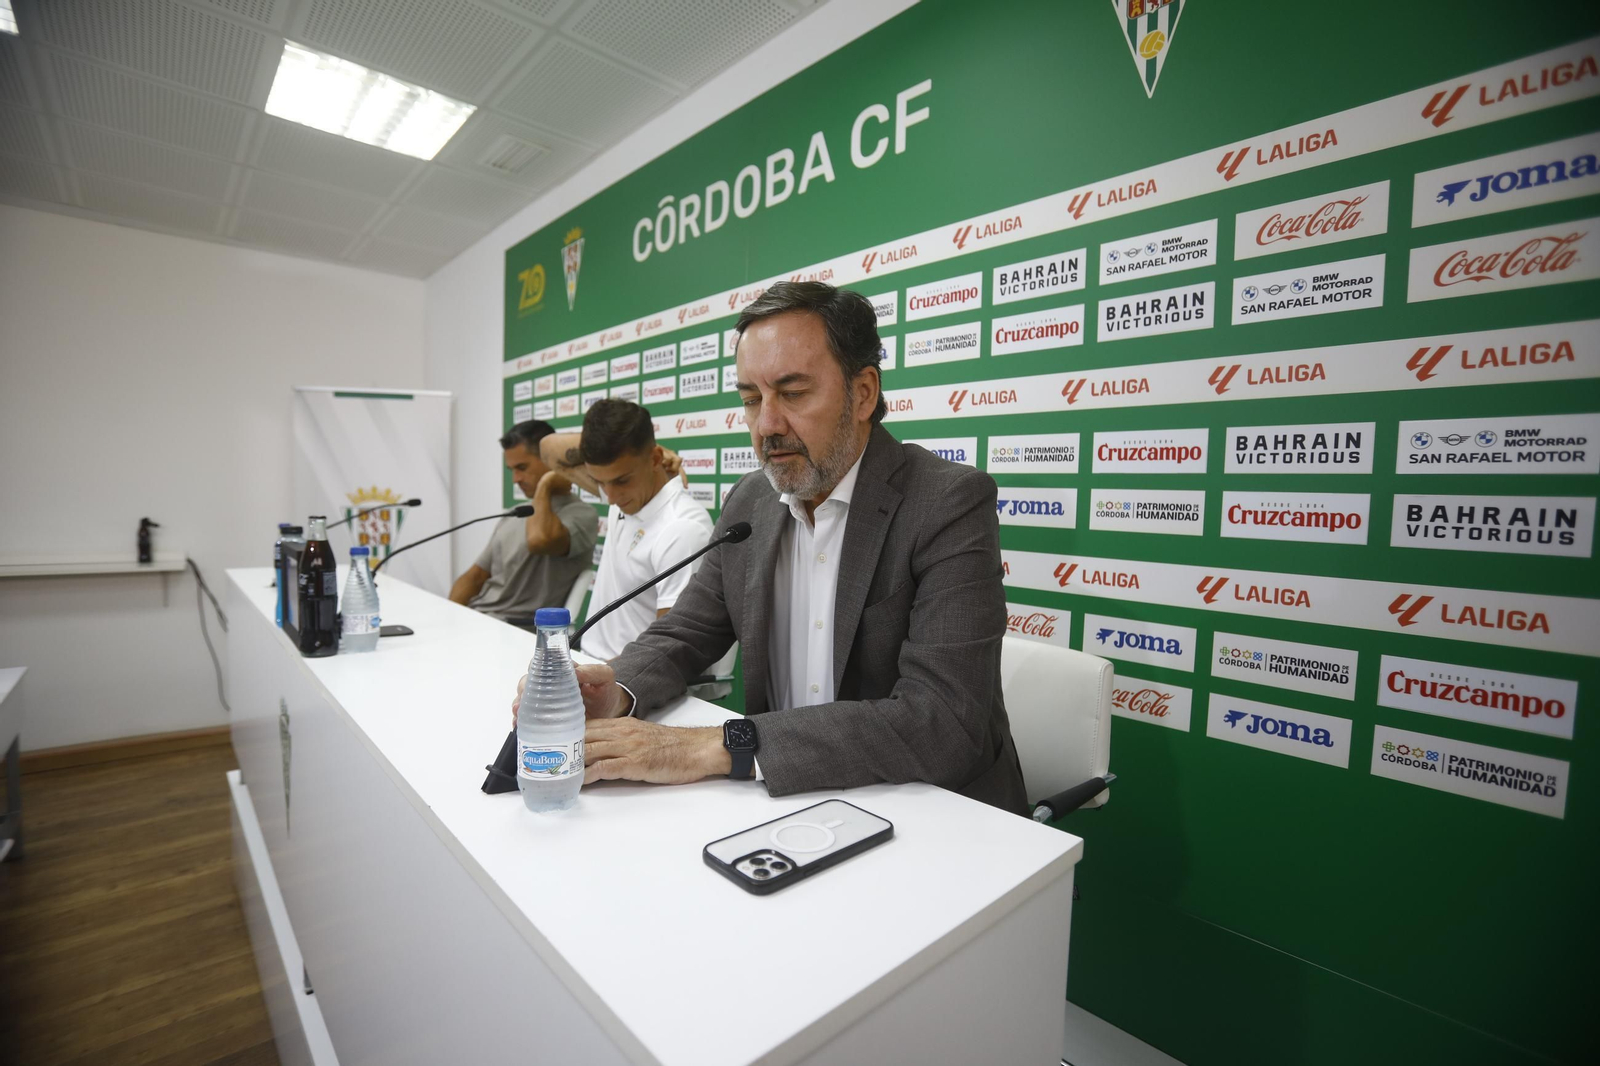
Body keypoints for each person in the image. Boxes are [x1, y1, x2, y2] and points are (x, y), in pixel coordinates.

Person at [516, 281, 1028, 814]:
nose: (766, 425)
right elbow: (686, 631)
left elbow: (943, 721)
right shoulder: (751, 501)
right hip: (785, 800)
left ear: (862, 393)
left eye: (793, 393)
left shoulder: (946, 502)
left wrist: (713, 746)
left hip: (932, 809)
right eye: (751, 399)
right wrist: (618, 688)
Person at [536, 399, 714, 659]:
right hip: (590, 661)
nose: (610, 497)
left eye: (621, 481)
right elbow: (547, 448)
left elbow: (668, 650)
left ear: (655, 459)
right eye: (600, 482)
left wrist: (599, 677)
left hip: (630, 676)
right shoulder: (626, 494)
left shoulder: (682, 529)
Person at [451, 420, 598, 622]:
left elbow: (539, 541)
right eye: (512, 470)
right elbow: (475, 576)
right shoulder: (515, 513)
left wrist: (546, 484)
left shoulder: (582, 514)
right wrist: (449, 617)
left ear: (549, 461)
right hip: (479, 618)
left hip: (517, 628)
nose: (516, 479)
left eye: (522, 467)